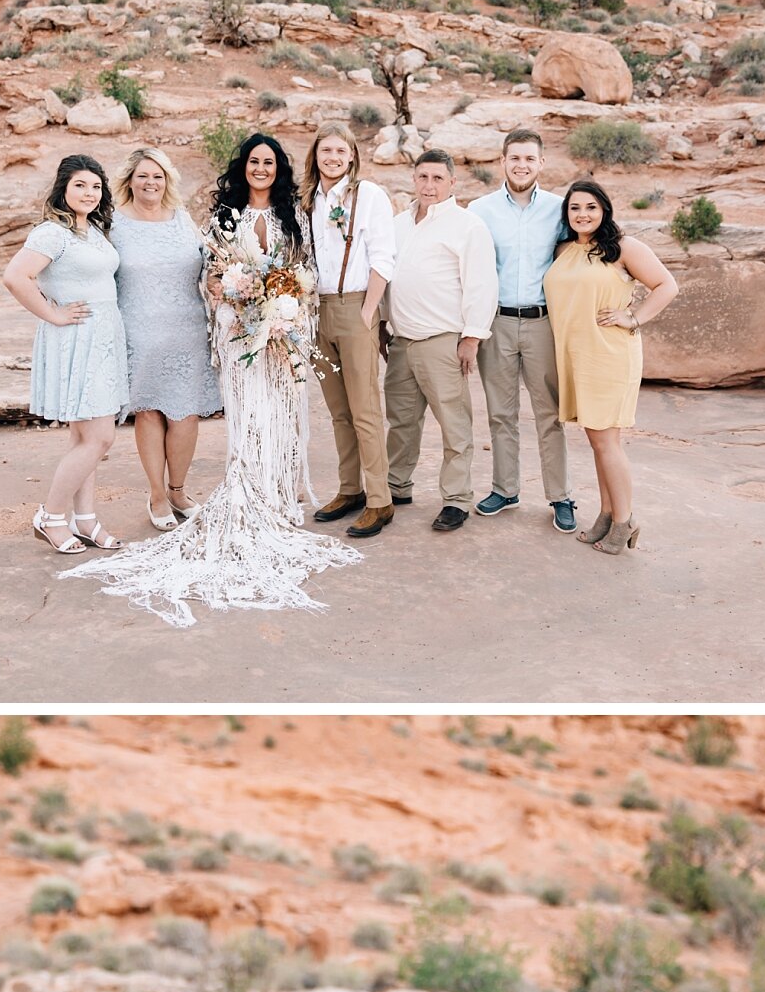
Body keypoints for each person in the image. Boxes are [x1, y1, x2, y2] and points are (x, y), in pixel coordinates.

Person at [79, 128, 352, 621]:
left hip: (280, 329)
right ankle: (192, 492)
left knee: (278, 414)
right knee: (236, 414)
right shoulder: (221, 215)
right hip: (232, 332)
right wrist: (231, 295)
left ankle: (276, 495)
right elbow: (213, 271)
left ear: (279, 168)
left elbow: (305, 268)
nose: (261, 169)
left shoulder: (291, 213)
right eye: (253, 162)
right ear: (243, 166)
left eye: (269, 163)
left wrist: (287, 312)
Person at [544, 178, 677, 553]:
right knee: (597, 441)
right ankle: (607, 513)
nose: (582, 214)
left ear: (603, 209)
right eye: (574, 208)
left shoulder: (623, 247)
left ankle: (624, 521)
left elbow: (667, 285)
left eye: (590, 207)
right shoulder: (564, 250)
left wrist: (632, 317)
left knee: (607, 442)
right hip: (576, 357)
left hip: (607, 355)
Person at [4, 151, 126, 557]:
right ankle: (51, 516)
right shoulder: (51, 233)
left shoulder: (92, 230)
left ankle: (86, 519)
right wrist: (53, 315)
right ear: (63, 188)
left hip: (104, 336)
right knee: (100, 437)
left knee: (83, 435)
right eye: (80, 185)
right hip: (78, 337)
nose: (90, 193)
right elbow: (15, 276)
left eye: (96, 186)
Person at [385, 147, 499, 533]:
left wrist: (472, 338)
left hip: (443, 341)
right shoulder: (398, 224)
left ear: (452, 183)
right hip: (401, 341)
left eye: (437, 178)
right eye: (422, 177)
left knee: (453, 423)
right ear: (413, 180)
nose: (429, 185)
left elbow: (482, 284)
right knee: (401, 422)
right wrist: (385, 324)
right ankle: (396, 486)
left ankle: (456, 499)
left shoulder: (467, 226)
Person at [111, 142, 221, 527]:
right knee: (150, 411)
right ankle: (156, 496)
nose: (150, 182)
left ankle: (178, 489)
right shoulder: (114, 223)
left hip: (187, 329)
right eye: (142, 175)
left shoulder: (180, 218)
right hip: (139, 331)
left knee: (186, 414)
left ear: (167, 180)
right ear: (130, 180)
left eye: (157, 176)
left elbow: (208, 260)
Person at [470, 130, 575, 532]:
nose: (522, 165)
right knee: (500, 413)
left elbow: (573, 258)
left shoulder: (558, 210)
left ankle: (561, 496)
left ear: (541, 163)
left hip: (542, 323)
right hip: (495, 322)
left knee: (549, 414)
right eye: (515, 158)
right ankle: (505, 489)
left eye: (530, 158)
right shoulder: (479, 210)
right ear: (503, 161)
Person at [304, 124, 395, 540]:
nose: (333, 157)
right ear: (316, 155)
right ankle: (349, 490)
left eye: (341, 151)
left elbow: (382, 256)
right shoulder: (308, 199)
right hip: (315, 314)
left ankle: (380, 500)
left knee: (365, 410)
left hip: (356, 308)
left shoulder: (370, 195)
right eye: (326, 150)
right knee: (338, 410)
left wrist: (368, 313)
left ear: (353, 155)